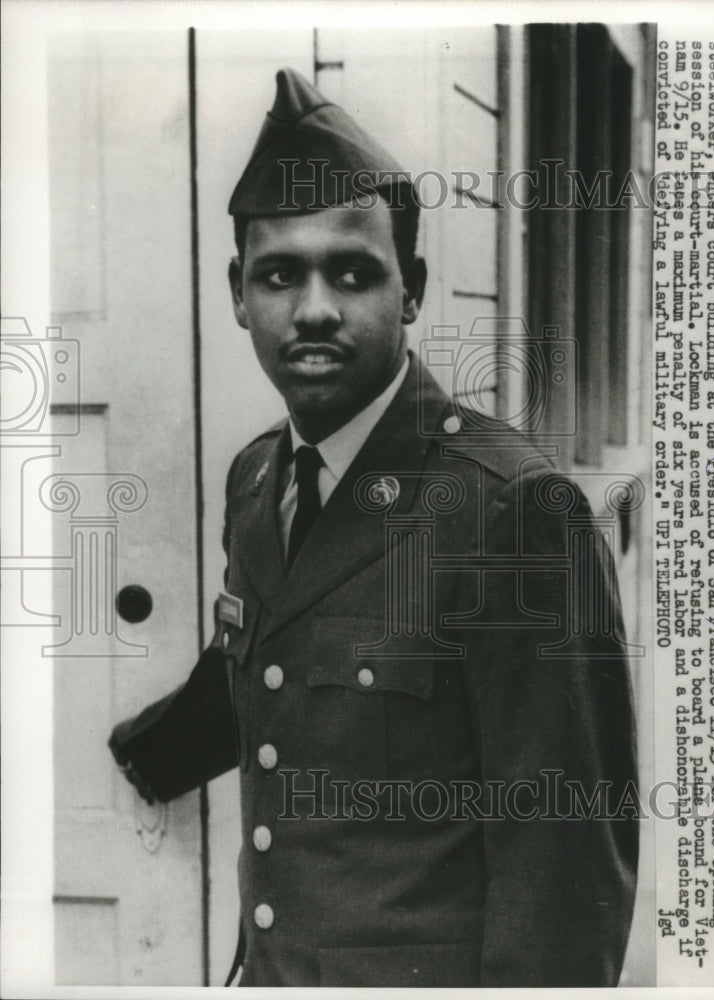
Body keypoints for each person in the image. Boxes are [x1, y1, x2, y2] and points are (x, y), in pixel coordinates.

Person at [109, 67, 638, 988]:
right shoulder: (257, 478)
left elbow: (565, 882)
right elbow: (264, 669)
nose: (312, 308)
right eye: (278, 274)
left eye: (352, 272)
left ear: (413, 290)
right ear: (239, 294)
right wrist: (147, 756)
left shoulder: (512, 511)